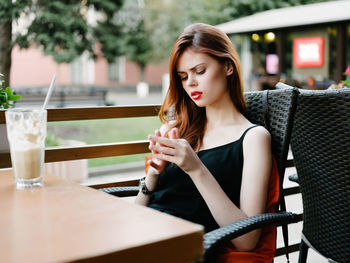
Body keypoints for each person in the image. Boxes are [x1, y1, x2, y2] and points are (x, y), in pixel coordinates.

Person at [135, 23, 273, 261]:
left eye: (199, 71)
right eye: (184, 76)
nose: (190, 83)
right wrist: (153, 176)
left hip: (184, 250)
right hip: (144, 237)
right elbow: (137, 213)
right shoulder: (177, 129)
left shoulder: (253, 138)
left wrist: (196, 169)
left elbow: (247, 240)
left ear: (228, 66)